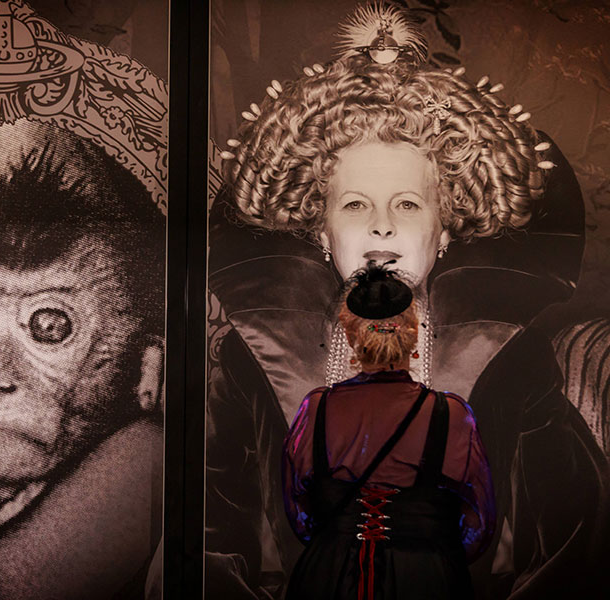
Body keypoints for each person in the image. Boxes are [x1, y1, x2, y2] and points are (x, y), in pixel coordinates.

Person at [207, 3, 608, 599]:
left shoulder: (509, 356)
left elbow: (578, 533)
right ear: (321, 232)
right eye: (354, 205)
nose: (382, 229)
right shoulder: (255, 354)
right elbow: (214, 531)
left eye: (408, 204)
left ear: (445, 232)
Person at [283, 262, 495, 599]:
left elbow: (300, 513)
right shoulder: (450, 414)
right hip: (426, 579)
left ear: (351, 335)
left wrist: (341, 543)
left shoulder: (317, 409)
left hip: (328, 577)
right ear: (414, 332)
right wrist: (432, 555)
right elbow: (478, 523)